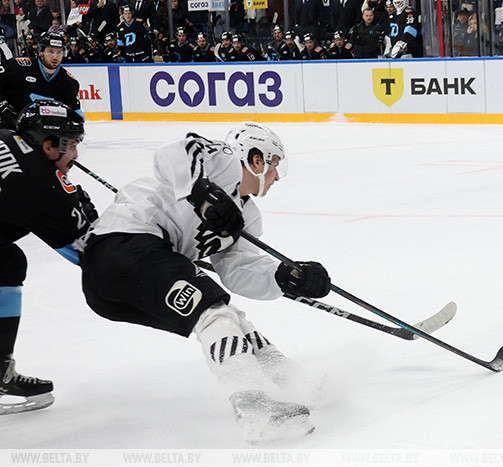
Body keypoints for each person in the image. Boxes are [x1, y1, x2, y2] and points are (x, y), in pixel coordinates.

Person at [78, 122, 330, 442]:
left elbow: (238, 271)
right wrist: (202, 192)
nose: (277, 176)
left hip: (122, 284)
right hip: (122, 246)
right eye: (274, 164)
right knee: (214, 312)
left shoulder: (247, 217)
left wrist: (285, 277)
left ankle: (295, 381)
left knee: (228, 319)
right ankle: (253, 408)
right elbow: (173, 153)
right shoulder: (222, 161)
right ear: (256, 159)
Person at [0, 100, 95, 414]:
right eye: (73, 145)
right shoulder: (38, 183)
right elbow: (92, 254)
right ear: (49, 144)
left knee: (7, 262)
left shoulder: (7, 135)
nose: (76, 156)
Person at [0, 32, 81, 130]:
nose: (55, 57)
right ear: (40, 52)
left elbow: (77, 117)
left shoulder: (69, 83)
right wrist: (3, 106)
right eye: (50, 51)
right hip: (7, 132)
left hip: (41, 136)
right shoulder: (19, 67)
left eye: (59, 52)